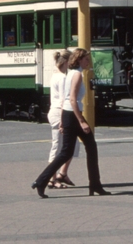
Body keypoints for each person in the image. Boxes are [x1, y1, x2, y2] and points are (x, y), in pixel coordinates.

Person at [31, 48, 110, 198]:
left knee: (71, 151)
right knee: (81, 149)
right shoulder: (77, 75)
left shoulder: (69, 74)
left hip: (68, 115)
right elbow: (72, 99)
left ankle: (41, 181)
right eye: (86, 59)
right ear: (79, 60)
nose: (89, 62)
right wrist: (81, 121)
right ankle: (94, 185)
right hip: (74, 115)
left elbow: (65, 99)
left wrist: (63, 121)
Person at [46, 49, 78, 189]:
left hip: (59, 113)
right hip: (60, 113)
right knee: (58, 147)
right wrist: (63, 121)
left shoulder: (56, 75)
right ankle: (51, 179)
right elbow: (64, 100)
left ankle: (62, 173)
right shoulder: (63, 78)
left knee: (70, 145)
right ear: (66, 62)